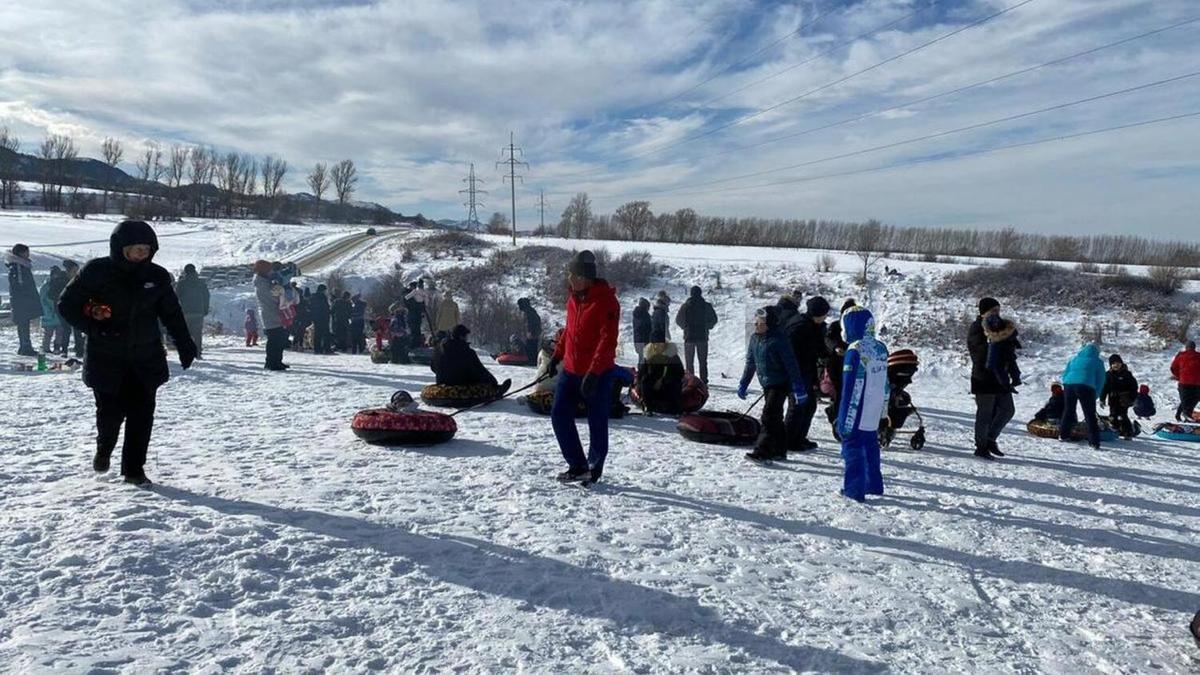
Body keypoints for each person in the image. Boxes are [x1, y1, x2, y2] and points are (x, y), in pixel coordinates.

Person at [57, 220, 196, 486]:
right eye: (136, 249)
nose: (141, 254)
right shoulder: (97, 271)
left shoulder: (157, 277)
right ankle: (104, 447)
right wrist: (95, 329)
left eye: (146, 249)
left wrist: (185, 343)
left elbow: (172, 313)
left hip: (146, 359)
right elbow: (67, 304)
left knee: (141, 417)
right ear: (121, 248)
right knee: (109, 416)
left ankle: (134, 470)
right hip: (107, 358)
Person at [548, 250, 621, 484]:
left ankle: (594, 466)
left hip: (597, 373)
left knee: (596, 420)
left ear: (585, 277)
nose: (570, 279)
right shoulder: (572, 299)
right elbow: (568, 331)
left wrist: (594, 371)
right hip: (570, 370)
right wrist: (556, 357)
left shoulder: (606, 301)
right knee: (559, 414)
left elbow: (607, 340)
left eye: (574, 275)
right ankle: (577, 464)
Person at [738, 306, 807, 462]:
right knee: (775, 418)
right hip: (766, 383)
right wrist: (744, 383)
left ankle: (762, 451)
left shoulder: (779, 340)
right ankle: (779, 450)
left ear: (769, 324)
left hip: (781, 383)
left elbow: (792, 365)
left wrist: (798, 387)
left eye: (760, 322)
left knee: (769, 416)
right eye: (756, 321)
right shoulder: (755, 339)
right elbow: (750, 362)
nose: (756, 325)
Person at [836, 306, 888, 502]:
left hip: (857, 409)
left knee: (853, 448)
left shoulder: (855, 351)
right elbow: (886, 384)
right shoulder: (880, 347)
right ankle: (873, 484)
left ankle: (854, 490)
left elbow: (851, 388)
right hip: (873, 410)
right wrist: (883, 412)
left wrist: (845, 420)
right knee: (870, 447)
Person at [968, 298, 1016, 460]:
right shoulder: (976, 328)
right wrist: (992, 343)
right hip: (983, 377)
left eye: (998, 310)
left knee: (1008, 409)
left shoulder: (1000, 327)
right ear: (983, 312)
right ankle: (981, 446)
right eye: (993, 311)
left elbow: (1009, 351)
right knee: (985, 414)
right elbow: (979, 355)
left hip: (1001, 378)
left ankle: (990, 439)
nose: (996, 314)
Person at [784, 296, 830, 452]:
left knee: (809, 405)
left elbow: (820, 348)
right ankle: (789, 440)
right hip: (795, 373)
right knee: (797, 406)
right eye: (824, 314)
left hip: (807, 372)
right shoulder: (798, 327)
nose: (825, 317)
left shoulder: (816, 326)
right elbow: (790, 354)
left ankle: (799, 438)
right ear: (816, 314)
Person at [432, 324, 509, 391]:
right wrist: (493, 383)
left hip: (441, 383)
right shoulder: (467, 352)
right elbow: (480, 371)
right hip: (460, 385)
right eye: (466, 336)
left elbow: (433, 367)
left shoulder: (438, 349)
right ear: (461, 337)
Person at [1059, 343, 1106, 449]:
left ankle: (1063, 435)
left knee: (1068, 410)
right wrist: (1096, 395)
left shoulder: (1074, 359)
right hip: (1086, 386)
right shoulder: (1098, 362)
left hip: (1069, 384)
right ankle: (1094, 442)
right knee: (1089, 414)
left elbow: (1065, 374)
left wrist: (1067, 383)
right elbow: (1101, 380)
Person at [823, 298, 858, 432]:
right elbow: (828, 339)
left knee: (850, 391)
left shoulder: (858, 328)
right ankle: (836, 416)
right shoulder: (835, 326)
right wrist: (836, 347)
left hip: (852, 363)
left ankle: (842, 415)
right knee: (840, 390)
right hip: (835, 363)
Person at [675, 285, 718, 384]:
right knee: (703, 361)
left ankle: (691, 381)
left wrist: (685, 327)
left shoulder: (685, 306)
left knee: (689, 362)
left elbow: (678, 320)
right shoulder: (706, 305)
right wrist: (707, 326)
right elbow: (714, 319)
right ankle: (704, 380)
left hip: (689, 337)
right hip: (702, 337)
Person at [6, 243, 43, 356]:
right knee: (23, 324)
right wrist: (28, 297)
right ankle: (25, 347)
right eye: (26, 252)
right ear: (20, 253)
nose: (28, 254)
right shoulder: (18, 266)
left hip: (22, 300)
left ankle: (25, 346)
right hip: (22, 301)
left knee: (24, 324)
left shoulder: (21, 266)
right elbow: (20, 284)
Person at [253, 259, 288, 371]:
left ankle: (277, 360)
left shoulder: (265, 282)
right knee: (274, 340)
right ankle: (271, 362)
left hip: (274, 313)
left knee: (280, 339)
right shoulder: (261, 284)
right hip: (270, 314)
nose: (271, 272)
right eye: (269, 270)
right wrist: (279, 288)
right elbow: (273, 296)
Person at [637, 342, 685, 415]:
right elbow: (641, 374)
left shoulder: (673, 356)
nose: (657, 346)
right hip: (653, 389)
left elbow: (680, 373)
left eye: (660, 344)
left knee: (675, 383)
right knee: (645, 381)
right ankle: (648, 406)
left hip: (667, 387)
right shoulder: (649, 356)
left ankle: (676, 408)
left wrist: (663, 380)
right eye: (655, 344)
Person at [174, 263, 210, 359]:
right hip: (198, 312)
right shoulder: (201, 282)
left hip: (185, 312)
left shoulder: (181, 283)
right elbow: (207, 296)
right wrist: (205, 309)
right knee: (197, 334)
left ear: (185, 272)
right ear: (195, 271)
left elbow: (175, 298)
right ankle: (197, 353)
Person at [1100, 354, 1138, 440]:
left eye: (1118, 363)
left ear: (1121, 363)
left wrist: (1133, 397)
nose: (1116, 365)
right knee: (1113, 416)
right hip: (1113, 399)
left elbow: (1134, 387)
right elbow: (1104, 388)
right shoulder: (1108, 375)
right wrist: (1102, 399)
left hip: (1124, 399)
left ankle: (1128, 433)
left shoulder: (1127, 374)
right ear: (1110, 365)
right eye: (1113, 363)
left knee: (1122, 416)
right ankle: (1115, 431)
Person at [984, 312, 1022, 391]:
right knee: (1012, 364)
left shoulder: (995, 341)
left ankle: (1007, 385)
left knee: (999, 369)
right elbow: (1014, 339)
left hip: (1001, 358)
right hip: (1009, 354)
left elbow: (991, 358)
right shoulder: (1009, 333)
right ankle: (1016, 380)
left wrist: (988, 366)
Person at [38, 266, 68, 355]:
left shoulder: (60, 285)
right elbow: (42, 300)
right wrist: (47, 310)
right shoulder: (46, 286)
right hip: (48, 314)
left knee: (60, 332)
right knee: (48, 333)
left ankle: (57, 347)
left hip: (58, 314)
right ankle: (45, 348)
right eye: (54, 274)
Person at [1170, 340, 1200, 421]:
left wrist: (1179, 376)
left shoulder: (1180, 355)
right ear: (1194, 347)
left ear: (1186, 347)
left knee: (1185, 400)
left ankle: (1183, 415)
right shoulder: (1199, 356)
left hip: (1184, 383)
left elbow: (1173, 368)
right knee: (1193, 399)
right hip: (1197, 383)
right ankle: (1186, 415)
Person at [61, 259, 85, 357]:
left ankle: (79, 350)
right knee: (66, 330)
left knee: (77, 330)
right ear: (68, 271)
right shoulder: (61, 280)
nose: (76, 272)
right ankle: (64, 350)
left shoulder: (78, 280)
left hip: (76, 309)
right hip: (63, 309)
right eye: (74, 270)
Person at [517, 297, 542, 363]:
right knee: (533, 346)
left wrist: (529, 332)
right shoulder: (531, 311)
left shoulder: (528, 312)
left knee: (531, 346)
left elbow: (529, 322)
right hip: (535, 332)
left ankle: (532, 360)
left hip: (532, 332)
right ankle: (533, 360)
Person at [405, 280, 429, 346]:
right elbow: (410, 303)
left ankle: (417, 343)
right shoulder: (410, 293)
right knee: (414, 330)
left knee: (416, 330)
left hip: (416, 315)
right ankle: (414, 344)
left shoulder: (414, 293)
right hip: (413, 315)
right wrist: (421, 305)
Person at [310, 284, 332, 354]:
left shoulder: (313, 297)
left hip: (316, 318)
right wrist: (329, 312)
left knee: (317, 334)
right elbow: (325, 308)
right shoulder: (322, 297)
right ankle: (327, 349)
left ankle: (317, 349)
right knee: (326, 334)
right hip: (323, 318)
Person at [631, 297, 652, 367]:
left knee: (641, 358)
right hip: (645, 340)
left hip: (637, 339)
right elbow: (648, 328)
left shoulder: (636, 314)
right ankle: (643, 374)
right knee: (645, 359)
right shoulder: (645, 316)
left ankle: (641, 372)